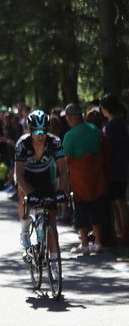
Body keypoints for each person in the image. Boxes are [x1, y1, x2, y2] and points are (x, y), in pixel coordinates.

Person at [15, 110, 69, 250]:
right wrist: (30, 193)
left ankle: (53, 257)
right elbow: (19, 175)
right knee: (23, 195)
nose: (40, 135)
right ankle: (25, 228)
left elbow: (63, 170)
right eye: (36, 131)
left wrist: (62, 190)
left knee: (51, 218)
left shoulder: (55, 142)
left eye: (44, 131)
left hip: (44, 176)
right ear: (30, 130)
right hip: (26, 176)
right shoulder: (22, 144)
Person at [63, 104, 107, 253]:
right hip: (97, 177)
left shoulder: (70, 136)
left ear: (69, 118)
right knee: (97, 208)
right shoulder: (95, 130)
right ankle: (98, 242)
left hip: (79, 180)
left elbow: (65, 160)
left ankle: (85, 244)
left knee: (81, 210)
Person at [100, 94, 129, 243]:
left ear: (106, 109)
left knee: (118, 202)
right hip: (121, 167)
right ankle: (121, 230)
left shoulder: (112, 126)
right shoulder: (122, 124)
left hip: (113, 168)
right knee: (119, 201)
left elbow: (109, 148)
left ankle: (123, 230)